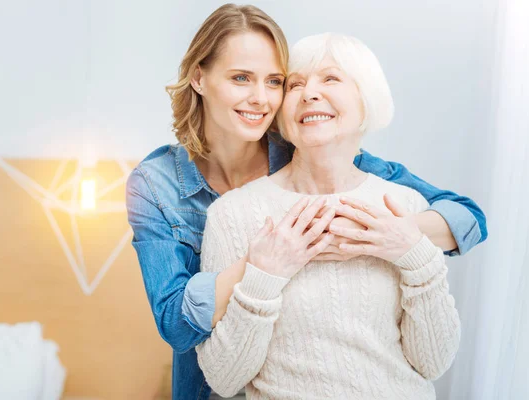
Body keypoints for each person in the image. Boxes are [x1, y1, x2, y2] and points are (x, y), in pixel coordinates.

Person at [125, 4, 486, 400]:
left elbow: (467, 219)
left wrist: (380, 234)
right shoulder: (156, 183)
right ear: (199, 77)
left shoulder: (317, 149)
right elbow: (176, 324)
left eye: (276, 81)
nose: (260, 98)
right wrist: (266, 260)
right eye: (240, 78)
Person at [196, 32, 462, 400]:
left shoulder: (405, 205)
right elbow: (223, 380)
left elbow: (434, 363)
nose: (309, 93)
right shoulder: (233, 214)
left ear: (366, 101)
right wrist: (264, 277)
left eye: (331, 78)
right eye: (295, 84)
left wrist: (415, 255)